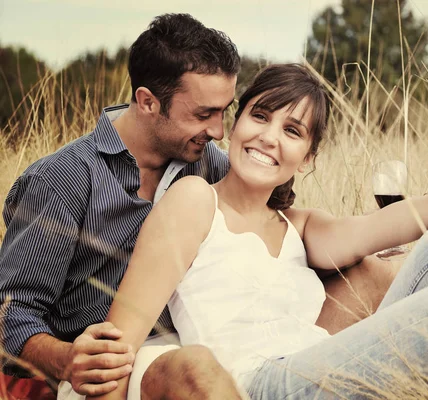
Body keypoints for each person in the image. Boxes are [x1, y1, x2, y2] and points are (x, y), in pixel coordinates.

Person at [101, 62, 428, 400]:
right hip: (258, 385)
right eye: (260, 116)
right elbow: (118, 341)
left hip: (322, 364)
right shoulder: (195, 201)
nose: (269, 138)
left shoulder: (297, 225)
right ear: (235, 124)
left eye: (293, 132)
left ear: (308, 158)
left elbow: (379, 229)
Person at [0, 13, 396, 400]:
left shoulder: (211, 161)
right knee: (194, 367)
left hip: (220, 350)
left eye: (224, 112)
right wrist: (67, 358)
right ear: (148, 102)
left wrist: (369, 239)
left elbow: (274, 231)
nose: (219, 131)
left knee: (372, 273)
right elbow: (9, 315)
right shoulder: (60, 181)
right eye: (203, 114)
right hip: (116, 371)